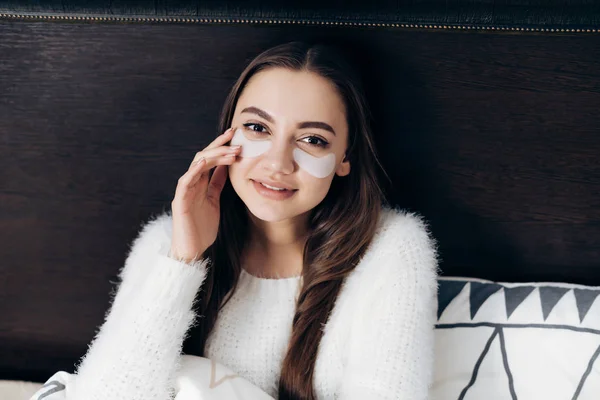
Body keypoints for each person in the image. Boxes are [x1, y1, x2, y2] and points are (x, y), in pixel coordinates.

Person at [30, 41, 439, 400]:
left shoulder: (392, 249)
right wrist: (182, 262)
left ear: (346, 158)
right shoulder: (167, 242)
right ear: (226, 137)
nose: (277, 164)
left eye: (313, 140)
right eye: (257, 128)